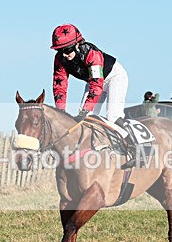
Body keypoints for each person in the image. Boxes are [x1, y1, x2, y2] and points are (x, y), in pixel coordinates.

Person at [50, 23, 143, 167]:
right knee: (86, 120)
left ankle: (136, 149)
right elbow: (59, 84)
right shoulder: (60, 59)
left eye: (67, 50)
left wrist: (85, 109)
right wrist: (60, 110)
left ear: (76, 44)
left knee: (112, 116)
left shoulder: (91, 53)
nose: (64, 54)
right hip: (94, 82)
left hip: (113, 78)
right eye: (59, 50)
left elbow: (96, 85)